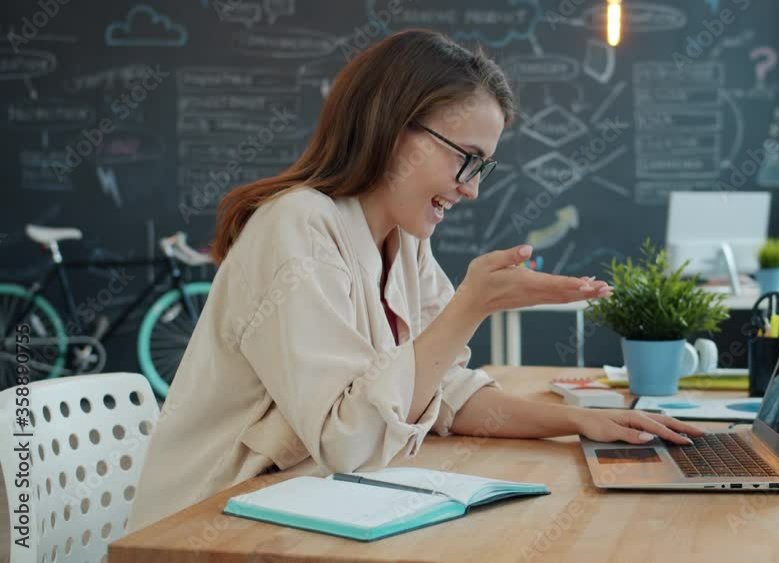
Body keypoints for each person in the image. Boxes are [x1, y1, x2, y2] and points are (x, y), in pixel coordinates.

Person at [127, 30, 702, 532]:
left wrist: (579, 421)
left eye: (483, 167)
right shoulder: (297, 226)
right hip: (204, 529)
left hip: (300, 512)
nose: (471, 188)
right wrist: (471, 305)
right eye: (466, 159)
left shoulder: (407, 243)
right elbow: (346, 443)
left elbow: (441, 391)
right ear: (393, 128)